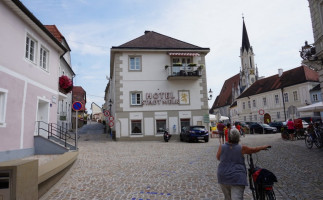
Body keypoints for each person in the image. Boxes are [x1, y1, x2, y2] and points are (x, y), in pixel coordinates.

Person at [216, 129, 270, 200]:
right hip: (237, 177)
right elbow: (254, 149)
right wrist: (263, 147)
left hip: (223, 176)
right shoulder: (242, 148)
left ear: (228, 137)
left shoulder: (221, 147)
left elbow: (218, 158)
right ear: (238, 137)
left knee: (227, 198)